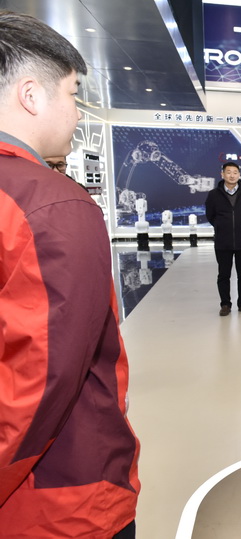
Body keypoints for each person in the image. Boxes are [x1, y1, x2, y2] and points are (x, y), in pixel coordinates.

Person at [0, 10, 139, 537]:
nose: (78, 113)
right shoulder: (53, 205)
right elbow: (41, 379)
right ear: (31, 95)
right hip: (61, 499)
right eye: (73, 93)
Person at [205, 161, 241, 316]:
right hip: (223, 241)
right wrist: (221, 226)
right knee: (223, 275)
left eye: (235, 172)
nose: (232, 175)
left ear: (239, 175)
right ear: (222, 174)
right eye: (228, 172)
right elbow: (210, 215)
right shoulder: (214, 194)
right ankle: (225, 304)